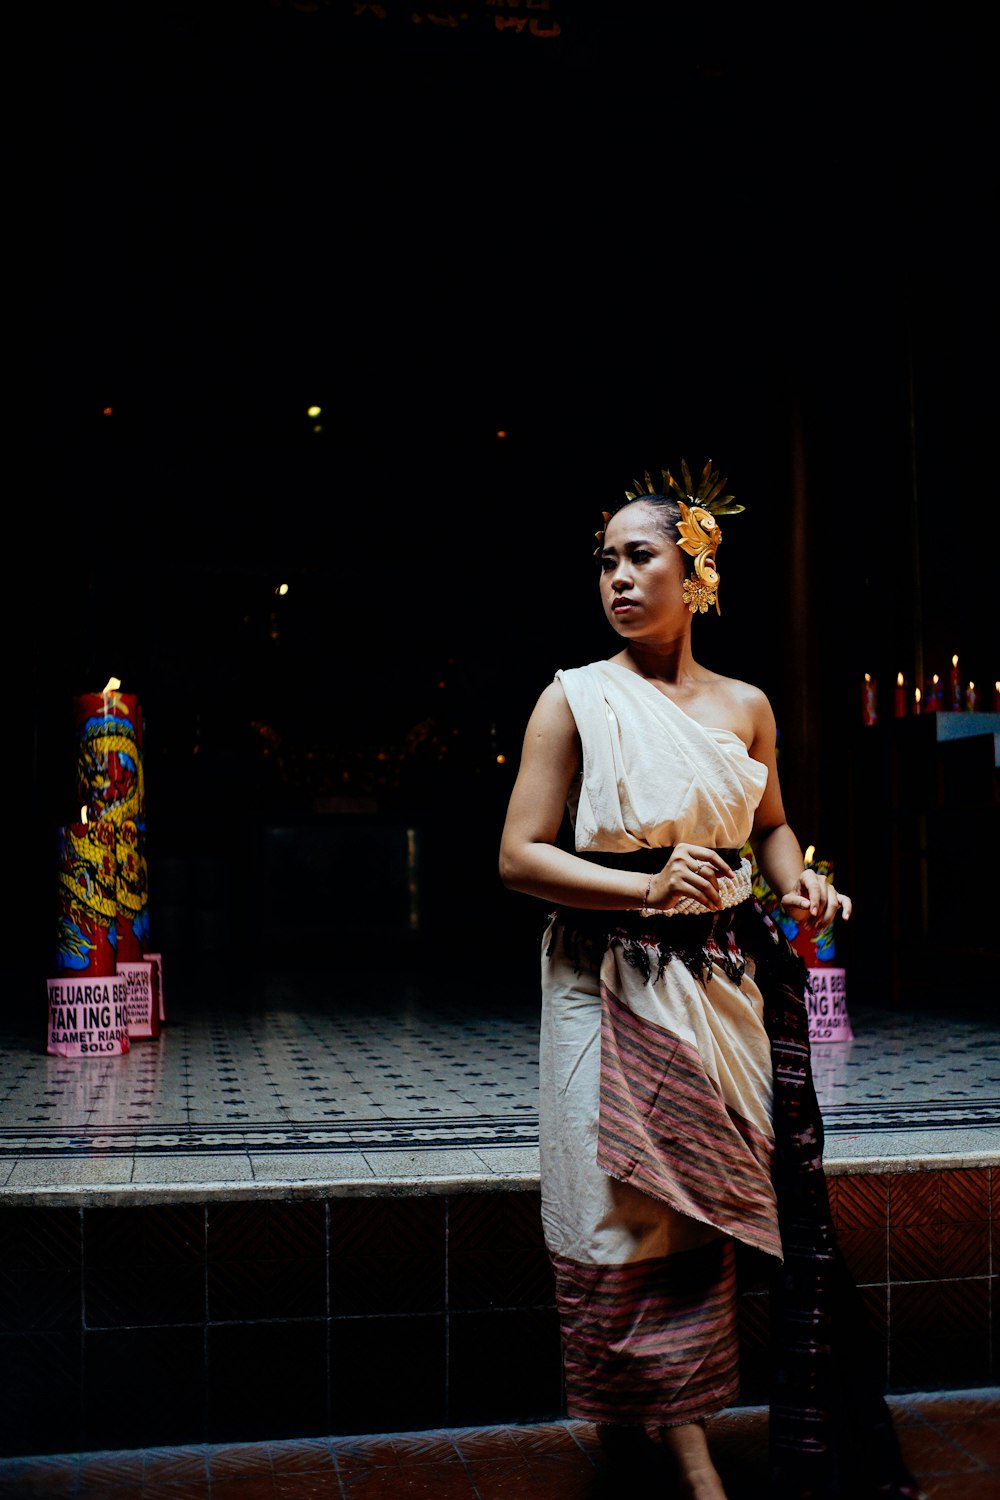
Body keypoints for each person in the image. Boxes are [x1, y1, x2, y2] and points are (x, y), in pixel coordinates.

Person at [498, 461, 925, 1499]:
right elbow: (517, 856)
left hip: (722, 980)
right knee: (618, 1203)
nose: (619, 579)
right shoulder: (573, 702)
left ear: (697, 575)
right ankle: (681, 1449)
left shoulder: (744, 707)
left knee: (697, 1202)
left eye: (640, 557)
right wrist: (639, 891)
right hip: (604, 978)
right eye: (605, 562)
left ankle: (673, 1415)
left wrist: (804, 888)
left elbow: (770, 826)